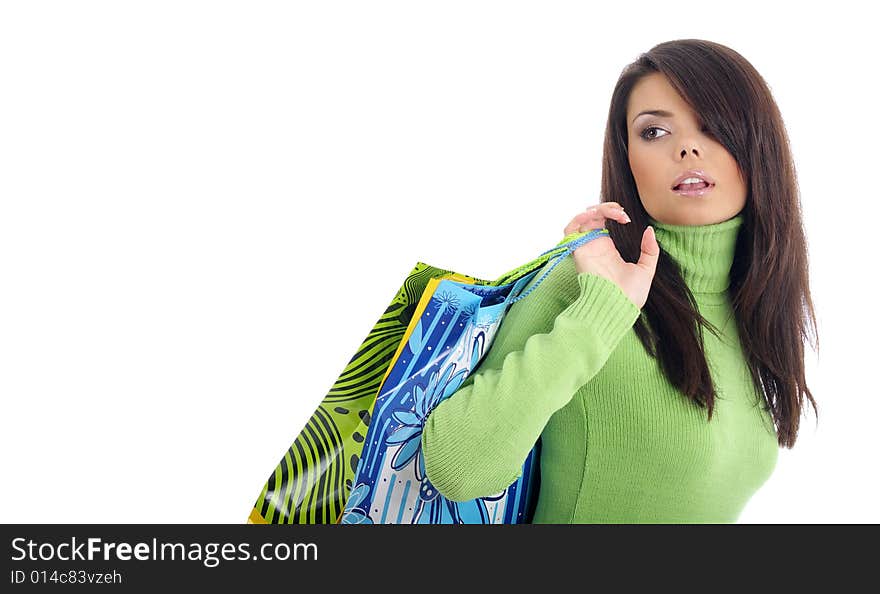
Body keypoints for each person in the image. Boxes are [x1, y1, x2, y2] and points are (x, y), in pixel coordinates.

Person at [419, 38, 819, 523]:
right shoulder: (590, 287)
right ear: (626, 158)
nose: (687, 147)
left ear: (760, 146)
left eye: (712, 125)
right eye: (653, 132)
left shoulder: (751, 307)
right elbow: (457, 468)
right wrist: (598, 317)